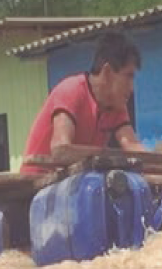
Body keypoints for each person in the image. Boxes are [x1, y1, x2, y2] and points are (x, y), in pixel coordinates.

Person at [20, 32, 147, 174]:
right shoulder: (72, 91)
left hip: (73, 183)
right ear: (107, 72)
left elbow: (134, 148)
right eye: (128, 76)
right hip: (37, 186)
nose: (131, 88)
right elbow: (60, 149)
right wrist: (109, 157)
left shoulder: (115, 107)